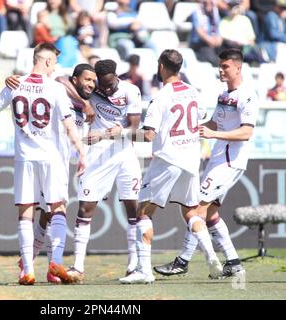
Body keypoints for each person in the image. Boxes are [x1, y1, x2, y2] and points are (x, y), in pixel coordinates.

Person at [0, 43, 86, 285]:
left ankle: (27, 270)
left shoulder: (14, 84)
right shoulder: (55, 88)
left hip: (24, 156)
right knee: (58, 208)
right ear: (46, 61)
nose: (55, 67)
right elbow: (68, 124)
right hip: (51, 157)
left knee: (25, 212)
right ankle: (55, 263)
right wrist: (81, 153)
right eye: (53, 62)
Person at [118, 49, 223, 284]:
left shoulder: (161, 97)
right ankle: (212, 257)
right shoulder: (192, 91)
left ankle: (144, 271)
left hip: (167, 160)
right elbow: (200, 119)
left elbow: (148, 135)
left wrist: (119, 134)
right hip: (190, 159)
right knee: (192, 212)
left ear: (162, 66)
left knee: (143, 212)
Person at [154, 48, 259, 279]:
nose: (220, 70)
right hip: (217, 160)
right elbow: (213, 123)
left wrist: (214, 135)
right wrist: (192, 130)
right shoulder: (224, 95)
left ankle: (182, 261)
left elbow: (245, 133)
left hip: (230, 162)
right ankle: (233, 262)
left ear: (238, 68)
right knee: (210, 216)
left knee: (195, 210)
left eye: (225, 67)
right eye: (219, 66)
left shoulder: (248, 94)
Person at [5, 63, 97, 284]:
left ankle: (35, 263)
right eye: (87, 80)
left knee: (49, 213)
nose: (91, 85)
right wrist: (84, 103)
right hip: (52, 158)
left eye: (94, 81)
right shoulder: (62, 88)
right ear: (75, 79)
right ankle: (40, 264)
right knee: (50, 210)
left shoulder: (96, 95)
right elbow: (60, 80)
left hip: (72, 159)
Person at [66, 59, 143, 283]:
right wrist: (86, 102)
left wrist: (108, 133)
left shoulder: (131, 91)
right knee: (85, 208)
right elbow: (62, 81)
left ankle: (133, 264)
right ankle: (78, 266)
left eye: (110, 85)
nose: (107, 90)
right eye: (103, 86)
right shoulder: (92, 88)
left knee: (133, 209)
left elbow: (135, 129)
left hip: (124, 152)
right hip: (97, 154)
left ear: (116, 77)